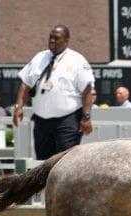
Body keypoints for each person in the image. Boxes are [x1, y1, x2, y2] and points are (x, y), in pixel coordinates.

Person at [13, 24, 94, 160]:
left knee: (65, 163)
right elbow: (26, 85)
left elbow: (87, 91)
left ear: (66, 41)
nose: (52, 41)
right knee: (43, 163)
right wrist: (18, 107)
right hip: (41, 122)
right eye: (50, 37)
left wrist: (86, 117)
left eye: (56, 38)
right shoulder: (39, 57)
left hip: (67, 121)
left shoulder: (77, 61)